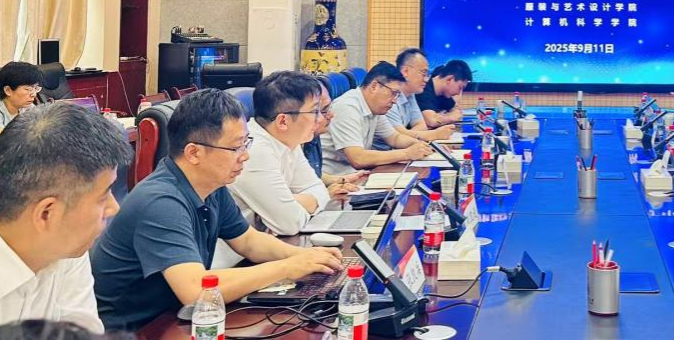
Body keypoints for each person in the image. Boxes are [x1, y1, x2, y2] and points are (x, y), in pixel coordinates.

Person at [90, 89, 344, 330]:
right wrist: (287, 267)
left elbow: (249, 241)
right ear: (194, 153)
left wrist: (303, 257)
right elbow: (195, 290)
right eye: (236, 147)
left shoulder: (211, 185)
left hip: (177, 317)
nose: (245, 156)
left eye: (246, 143)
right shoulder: (160, 201)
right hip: (137, 329)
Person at [0, 103, 131, 333]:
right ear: (47, 214)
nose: (114, 208)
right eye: (103, 196)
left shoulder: (65, 242)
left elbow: (83, 331)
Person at [227, 72, 366, 237]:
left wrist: (292, 201)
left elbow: (318, 189)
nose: (321, 119)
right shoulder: (254, 151)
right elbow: (289, 224)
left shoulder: (288, 139)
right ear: (283, 121)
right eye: (315, 111)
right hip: (241, 251)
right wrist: (295, 203)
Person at [320, 62, 434, 174]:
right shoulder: (347, 107)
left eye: (398, 95)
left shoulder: (374, 107)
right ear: (374, 86)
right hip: (336, 178)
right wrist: (407, 153)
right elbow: (358, 159)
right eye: (393, 93)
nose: (395, 101)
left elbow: (395, 138)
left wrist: (421, 146)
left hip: (356, 174)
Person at [375, 48, 453, 150]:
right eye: (423, 73)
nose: (426, 79)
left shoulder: (410, 94)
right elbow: (397, 136)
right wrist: (434, 134)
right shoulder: (389, 95)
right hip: (382, 154)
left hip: (397, 150)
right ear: (405, 71)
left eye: (427, 74)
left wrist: (407, 134)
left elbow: (421, 126)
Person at [0, 62, 45, 134]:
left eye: (36, 88)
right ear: (8, 90)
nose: (34, 94)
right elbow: (1, 139)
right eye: (28, 89)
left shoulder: (27, 107)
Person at [418, 60, 472, 129]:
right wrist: (450, 117)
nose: (458, 93)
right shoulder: (423, 90)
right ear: (449, 79)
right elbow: (431, 121)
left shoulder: (444, 94)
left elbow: (457, 112)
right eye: (460, 87)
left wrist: (443, 117)